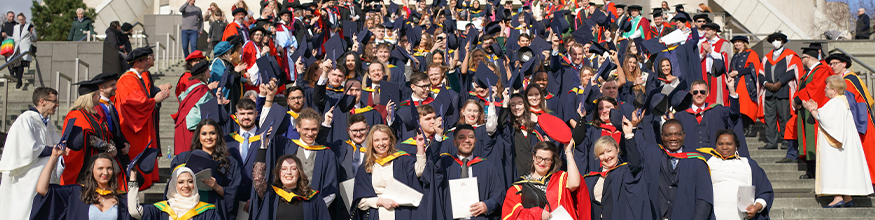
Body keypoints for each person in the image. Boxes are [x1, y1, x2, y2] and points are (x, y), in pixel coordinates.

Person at [801, 75, 874, 207]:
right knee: (843, 167)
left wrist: (811, 109)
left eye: (827, 88)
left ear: (834, 90)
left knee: (837, 166)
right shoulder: (842, 101)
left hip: (836, 147)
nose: (825, 90)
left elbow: (824, 119)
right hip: (845, 144)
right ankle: (847, 198)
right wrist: (816, 109)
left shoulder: (836, 102)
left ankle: (838, 197)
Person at [115, 47, 173, 190]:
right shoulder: (128, 79)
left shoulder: (137, 78)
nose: (153, 59)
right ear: (142, 61)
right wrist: (154, 100)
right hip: (132, 128)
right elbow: (133, 102)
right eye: (150, 57)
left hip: (140, 126)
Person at [631, 119, 713, 219]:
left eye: (677, 134)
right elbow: (637, 153)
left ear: (684, 135)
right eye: (668, 135)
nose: (673, 138)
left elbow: (704, 198)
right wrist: (633, 129)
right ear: (661, 136)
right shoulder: (653, 155)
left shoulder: (696, 161)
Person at [0, 87, 60, 220]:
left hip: (39, 175)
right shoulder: (26, 120)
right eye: (54, 101)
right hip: (25, 177)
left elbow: (57, 143)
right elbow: (28, 149)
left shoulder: (47, 122)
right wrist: (54, 150)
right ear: (42, 101)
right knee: (24, 210)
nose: (57, 105)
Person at [59, 75, 129, 187]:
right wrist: (108, 147)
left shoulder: (94, 115)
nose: (99, 96)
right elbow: (87, 137)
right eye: (97, 94)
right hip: (83, 165)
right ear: (91, 97)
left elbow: (106, 132)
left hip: (97, 163)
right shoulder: (76, 115)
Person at [351, 124, 427, 220]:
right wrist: (380, 201)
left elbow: (419, 171)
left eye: (385, 139)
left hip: (402, 213)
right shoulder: (366, 167)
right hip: (377, 214)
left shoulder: (402, 160)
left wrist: (420, 147)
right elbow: (360, 202)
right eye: (376, 140)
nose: (381, 143)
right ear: (371, 143)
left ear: (390, 140)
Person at [172, 119, 244, 219]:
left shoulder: (230, 162)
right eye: (204, 134)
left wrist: (217, 187)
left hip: (216, 209)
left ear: (218, 135)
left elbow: (235, 191)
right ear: (198, 136)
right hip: (189, 210)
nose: (208, 137)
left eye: (212, 133)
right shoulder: (184, 158)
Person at [433, 124, 506, 220]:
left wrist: (487, 205)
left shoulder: (487, 166)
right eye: (461, 137)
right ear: (455, 142)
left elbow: (498, 194)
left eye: (471, 137)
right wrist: (438, 136)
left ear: (475, 141)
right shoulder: (445, 164)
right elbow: (432, 159)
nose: (467, 140)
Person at [501, 141, 587, 220]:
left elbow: (575, 183)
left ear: (552, 161)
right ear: (533, 157)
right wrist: (537, 214)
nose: (542, 163)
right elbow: (511, 216)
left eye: (547, 160)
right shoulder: (518, 187)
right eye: (539, 158)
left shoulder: (560, 179)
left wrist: (568, 151)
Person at [698, 130, 773, 219]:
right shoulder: (707, 163)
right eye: (720, 144)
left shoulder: (749, 164)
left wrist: (756, 207)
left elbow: (765, 191)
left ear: (736, 145)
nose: (724, 147)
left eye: (729, 144)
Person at [824, 53, 875, 184]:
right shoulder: (845, 79)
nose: (832, 66)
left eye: (835, 63)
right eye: (831, 64)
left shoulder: (848, 80)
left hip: (861, 120)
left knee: (867, 153)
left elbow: (850, 104)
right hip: (861, 118)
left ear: (844, 64)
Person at [33, 152, 131, 220]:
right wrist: (54, 156)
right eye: (100, 168)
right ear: (92, 171)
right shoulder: (76, 193)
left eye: (109, 168)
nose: (105, 172)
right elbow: (42, 189)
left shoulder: (122, 199)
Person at [792, 47, 834, 179]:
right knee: (807, 140)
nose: (801, 60)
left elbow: (814, 88)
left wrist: (797, 98)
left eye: (802, 57)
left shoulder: (821, 70)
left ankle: (816, 171)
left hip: (816, 110)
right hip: (806, 110)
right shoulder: (808, 73)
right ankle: (811, 170)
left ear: (808, 58)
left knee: (814, 140)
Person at [251, 151, 331, 220]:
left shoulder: (313, 197)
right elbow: (258, 178)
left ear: (299, 173)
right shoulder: (272, 195)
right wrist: (262, 148)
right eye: (284, 169)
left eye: (293, 168)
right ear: (279, 173)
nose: (288, 172)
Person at [758, 32, 801, 150]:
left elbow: (792, 71)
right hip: (769, 91)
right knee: (769, 118)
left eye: (777, 39)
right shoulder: (766, 57)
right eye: (773, 40)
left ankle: (786, 141)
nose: (775, 42)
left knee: (784, 117)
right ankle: (771, 142)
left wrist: (779, 83)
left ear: (782, 41)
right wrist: (766, 83)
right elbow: (760, 73)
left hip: (784, 90)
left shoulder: (790, 55)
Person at [127, 167, 222, 219]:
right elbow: (134, 211)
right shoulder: (161, 210)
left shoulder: (207, 212)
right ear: (173, 185)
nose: (186, 185)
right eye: (181, 182)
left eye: (190, 181)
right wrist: (132, 179)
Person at [673, 79, 740, 151]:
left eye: (702, 92)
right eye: (695, 92)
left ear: (707, 93)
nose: (699, 95)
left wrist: (731, 89)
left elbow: (734, 113)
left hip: (713, 156)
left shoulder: (717, 110)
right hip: (690, 157)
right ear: (691, 93)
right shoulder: (680, 114)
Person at [174, 61, 225, 153]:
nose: (209, 70)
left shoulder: (192, 85)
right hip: (192, 129)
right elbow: (209, 111)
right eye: (207, 70)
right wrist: (219, 104)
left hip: (183, 127)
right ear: (203, 73)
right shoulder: (202, 90)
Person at [728, 36, 763, 138]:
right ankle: (744, 128)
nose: (736, 44)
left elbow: (754, 67)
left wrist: (738, 72)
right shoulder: (735, 56)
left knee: (748, 106)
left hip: (747, 83)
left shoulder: (751, 53)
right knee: (739, 106)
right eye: (735, 42)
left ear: (744, 43)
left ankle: (751, 128)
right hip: (737, 83)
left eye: (739, 41)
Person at [698, 23, 732, 106]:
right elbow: (696, 60)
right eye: (705, 30)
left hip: (718, 75)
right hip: (705, 75)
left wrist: (710, 51)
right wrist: (703, 54)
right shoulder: (702, 44)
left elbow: (724, 58)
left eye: (707, 30)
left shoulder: (724, 43)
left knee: (718, 97)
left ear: (714, 31)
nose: (705, 32)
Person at [8, 13, 35, 89]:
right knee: (14, 64)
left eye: (22, 19)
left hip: (24, 48)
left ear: (25, 18)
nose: (21, 21)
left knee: (20, 64)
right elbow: (14, 37)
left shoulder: (29, 26)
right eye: (19, 20)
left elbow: (35, 37)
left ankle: (19, 81)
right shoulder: (16, 27)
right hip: (17, 47)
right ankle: (18, 79)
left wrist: (31, 32)